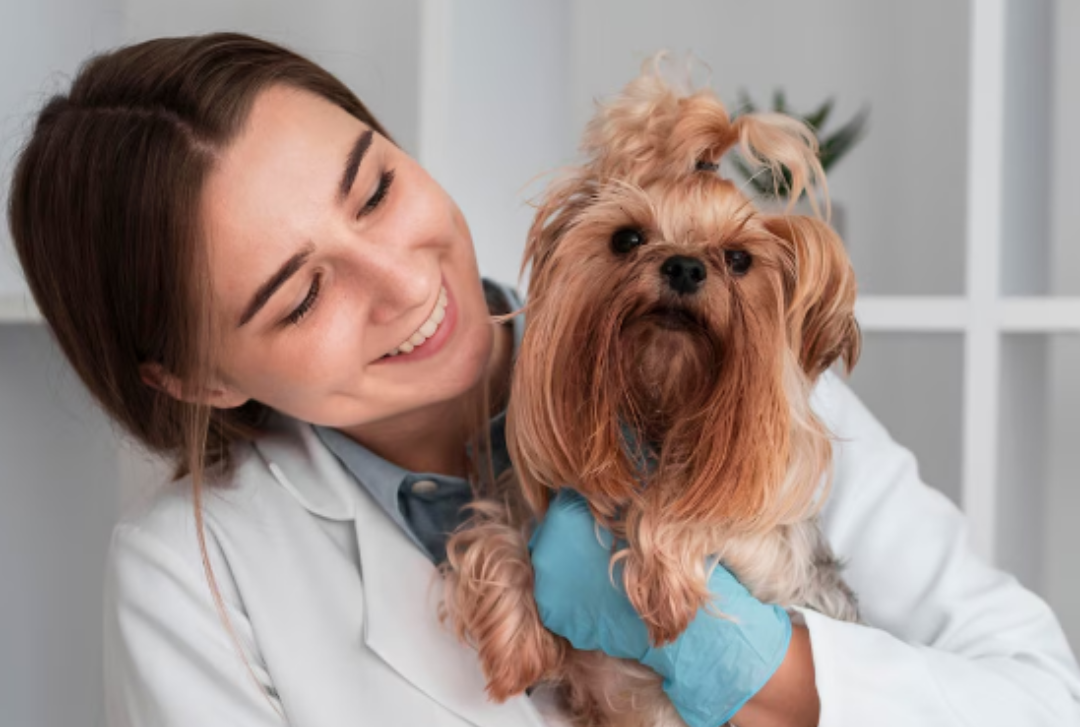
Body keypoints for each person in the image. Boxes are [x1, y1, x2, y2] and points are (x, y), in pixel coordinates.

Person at [7, 32, 1079, 727]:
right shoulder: (195, 580)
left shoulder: (736, 382)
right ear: (193, 379)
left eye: (375, 188)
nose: (403, 282)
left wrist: (754, 665)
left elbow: (1040, 701)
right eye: (300, 295)